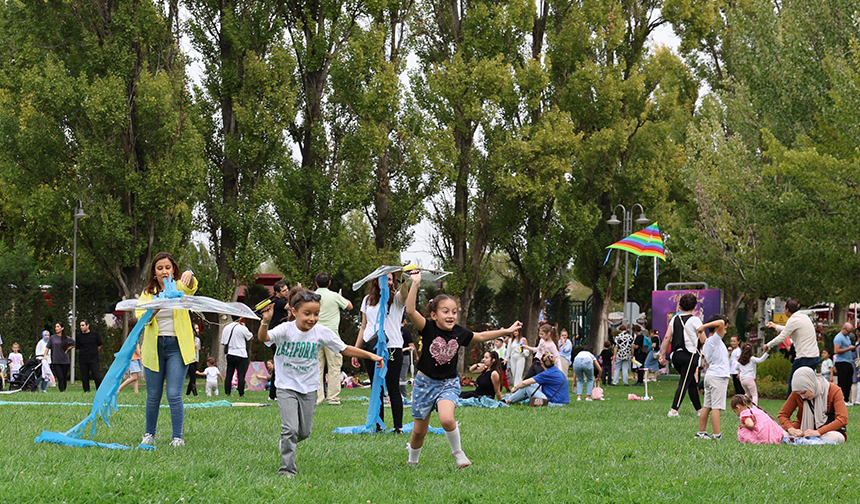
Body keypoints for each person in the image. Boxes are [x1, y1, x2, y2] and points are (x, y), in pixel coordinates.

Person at [404, 268, 522, 469]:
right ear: (433, 315)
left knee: (447, 419)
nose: (451, 315)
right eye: (446, 311)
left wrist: (507, 330)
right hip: (424, 384)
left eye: (454, 312)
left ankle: (458, 454)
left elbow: (483, 336)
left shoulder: (460, 332)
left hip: (448, 383)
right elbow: (410, 311)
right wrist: (415, 283)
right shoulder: (428, 327)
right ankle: (412, 461)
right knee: (418, 432)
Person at [257, 288, 382, 477]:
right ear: (294, 312)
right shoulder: (285, 329)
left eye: (316, 314)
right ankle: (287, 469)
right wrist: (265, 322)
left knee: (304, 432)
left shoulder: (321, 332)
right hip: (285, 386)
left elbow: (344, 349)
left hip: (309, 387)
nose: (312, 318)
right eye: (307, 313)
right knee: (290, 428)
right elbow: (263, 338)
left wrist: (370, 355)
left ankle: (287, 441)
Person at [138, 251, 198, 448]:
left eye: (168, 267)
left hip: (177, 348)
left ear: (174, 270)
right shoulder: (147, 293)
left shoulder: (179, 287)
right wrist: (158, 304)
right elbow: (142, 318)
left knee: (174, 394)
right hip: (154, 348)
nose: (164, 271)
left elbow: (191, 287)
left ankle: (177, 437)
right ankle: (149, 434)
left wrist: (189, 275)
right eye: (160, 268)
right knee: (153, 395)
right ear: (154, 272)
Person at [352, 272, 408, 433]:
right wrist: (357, 351)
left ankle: (398, 427)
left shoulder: (397, 299)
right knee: (377, 388)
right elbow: (363, 327)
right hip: (371, 348)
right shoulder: (367, 300)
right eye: (382, 279)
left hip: (392, 347)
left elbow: (405, 293)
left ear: (393, 281)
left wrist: (405, 278)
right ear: (375, 281)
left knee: (393, 388)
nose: (386, 282)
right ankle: (378, 426)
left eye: (389, 279)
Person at [659, 293, 703, 418]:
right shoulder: (695, 319)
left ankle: (699, 410)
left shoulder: (674, 319)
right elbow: (703, 339)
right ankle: (673, 410)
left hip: (676, 356)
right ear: (695, 306)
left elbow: (667, 337)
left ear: (680, 306)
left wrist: (662, 355)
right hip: (690, 355)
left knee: (690, 382)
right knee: (684, 382)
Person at [778, 367, 847, 444]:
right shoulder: (796, 393)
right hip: (802, 430)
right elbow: (783, 415)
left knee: (836, 437)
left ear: (811, 385)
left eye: (804, 392)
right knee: (780, 434)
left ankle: (804, 440)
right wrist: (791, 429)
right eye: (799, 394)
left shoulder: (833, 390)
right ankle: (811, 440)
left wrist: (818, 432)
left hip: (826, 430)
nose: (802, 397)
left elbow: (842, 419)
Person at [765, 299, 820, 397]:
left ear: (787, 309)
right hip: (814, 356)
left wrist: (768, 345)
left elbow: (782, 336)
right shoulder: (804, 317)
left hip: (804, 358)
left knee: (794, 382)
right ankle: (812, 403)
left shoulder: (793, 320)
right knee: (808, 383)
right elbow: (789, 329)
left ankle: (789, 407)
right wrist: (775, 326)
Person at [313, 271, 353, 406]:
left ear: (316, 283)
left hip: (315, 336)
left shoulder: (312, 296)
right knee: (334, 368)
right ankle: (333, 399)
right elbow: (350, 306)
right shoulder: (335, 296)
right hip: (332, 336)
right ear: (329, 283)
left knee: (316, 368)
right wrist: (341, 298)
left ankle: (317, 399)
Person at [694, 314, 731, 439]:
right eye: (724, 329)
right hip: (718, 377)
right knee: (717, 407)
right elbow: (720, 322)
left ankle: (701, 432)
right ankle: (716, 434)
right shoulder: (714, 340)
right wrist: (702, 327)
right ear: (717, 328)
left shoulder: (708, 343)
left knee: (707, 406)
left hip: (711, 376)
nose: (725, 331)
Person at [222, 317, 253, 397]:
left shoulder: (227, 327)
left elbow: (223, 342)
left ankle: (227, 392)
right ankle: (241, 392)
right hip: (241, 353)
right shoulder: (242, 328)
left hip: (230, 353)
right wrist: (246, 327)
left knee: (229, 373)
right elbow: (250, 338)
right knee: (241, 374)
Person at [832, 322, 856, 405]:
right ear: (844, 329)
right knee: (842, 381)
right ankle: (840, 399)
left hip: (848, 361)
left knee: (849, 381)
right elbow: (836, 351)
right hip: (841, 361)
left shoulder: (847, 337)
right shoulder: (838, 338)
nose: (850, 333)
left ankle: (846, 399)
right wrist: (848, 349)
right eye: (849, 331)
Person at [77, 320, 103, 393]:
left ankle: (100, 391)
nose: (81, 327)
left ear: (87, 325)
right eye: (80, 325)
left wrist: (93, 352)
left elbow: (99, 345)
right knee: (84, 377)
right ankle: (86, 391)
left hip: (93, 359)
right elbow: (78, 348)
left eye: (83, 325)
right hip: (83, 359)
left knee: (96, 376)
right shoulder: (79, 336)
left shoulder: (94, 334)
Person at [48, 322, 75, 392]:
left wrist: (69, 348)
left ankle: (63, 389)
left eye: (58, 327)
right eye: (55, 327)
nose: (56, 328)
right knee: (60, 377)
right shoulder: (52, 338)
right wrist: (45, 356)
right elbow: (48, 347)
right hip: (56, 360)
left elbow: (75, 343)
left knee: (64, 376)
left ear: (62, 328)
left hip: (65, 360)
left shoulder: (66, 338)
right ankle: (61, 390)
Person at [399, 317, 417, 402]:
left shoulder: (392, 330)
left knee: (395, 377)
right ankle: (403, 396)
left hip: (392, 355)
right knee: (402, 378)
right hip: (404, 356)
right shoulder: (406, 331)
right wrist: (416, 356)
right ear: (404, 320)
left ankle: (396, 395)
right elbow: (411, 345)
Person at [186, 322, 202, 396]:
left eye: (198, 328)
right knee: (193, 376)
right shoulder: (188, 339)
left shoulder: (197, 339)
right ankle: (195, 393)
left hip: (196, 359)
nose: (197, 330)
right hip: (190, 359)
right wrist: (193, 346)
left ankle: (188, 393)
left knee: (193, 376)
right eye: (196, 328)